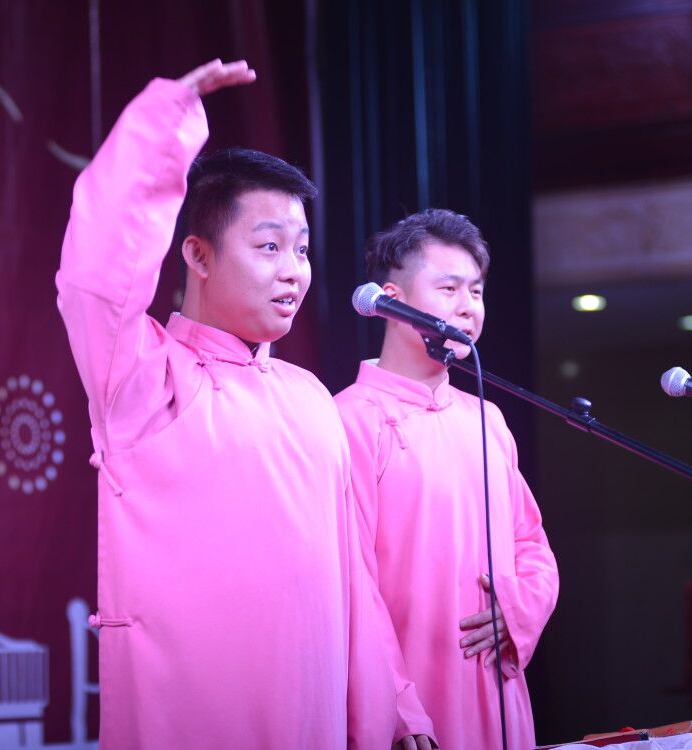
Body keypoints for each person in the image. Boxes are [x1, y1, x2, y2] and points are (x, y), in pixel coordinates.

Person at [56, 59, 413, 748]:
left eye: (301, 250)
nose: (293, 271)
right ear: (198, 255)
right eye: (269, 246)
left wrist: (396, 708)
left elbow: (354, 581)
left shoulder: (311, 398)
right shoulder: (147, 380)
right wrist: (162, 124)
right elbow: (94, 276)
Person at [335, 209, 561, 749]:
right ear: (392, 300)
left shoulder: (487, 419)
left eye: (476, 291)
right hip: (409, 705)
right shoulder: (350, 420)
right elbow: (349, 583)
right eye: (448, 288)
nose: (468, 306)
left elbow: (531, 544)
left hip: (495, 690)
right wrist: (395, 704)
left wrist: (517, 610)